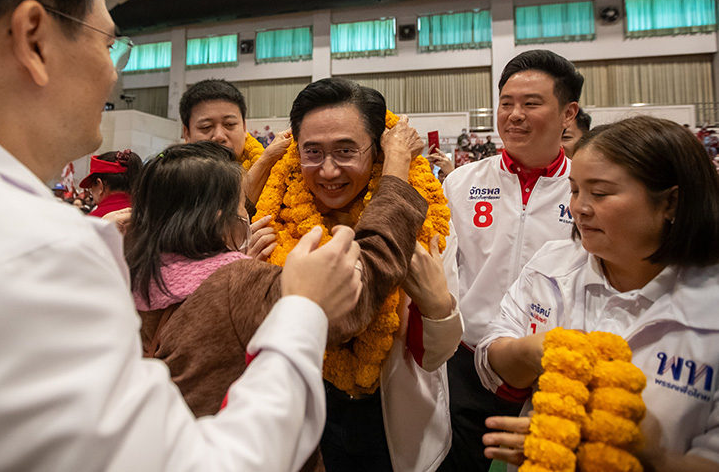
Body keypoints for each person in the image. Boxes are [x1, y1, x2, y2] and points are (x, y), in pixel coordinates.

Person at [0, 0, 364, 471]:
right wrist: (302, 309)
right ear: (34, 40)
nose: (113, 73)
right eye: (109, 44)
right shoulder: (35, 255)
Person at [479, 115, 719, 472]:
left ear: (671, 203)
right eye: (575, 190)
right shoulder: (551, 266)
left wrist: (645, 457)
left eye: (600, 193)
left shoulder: (709, 310)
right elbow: (492, 358)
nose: (579, 207)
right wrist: (530, 352)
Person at [254, 78, 462, 472]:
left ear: (379, 148)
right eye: (313, 152)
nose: (328, 170)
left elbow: (438, 353)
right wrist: (252, 275)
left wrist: (438, 308)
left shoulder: (423, 225)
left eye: (346, 151)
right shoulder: (271, 226)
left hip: (396, 422)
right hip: (309, 416)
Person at [439, 49, 581, 472]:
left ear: (568, 113)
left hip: (549, 367)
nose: (515, 115)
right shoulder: (461, 182)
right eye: (506, 103)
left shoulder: (585, 188)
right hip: (465, 362)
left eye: (531, 103)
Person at [179, 78, 291, 208]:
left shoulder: (280, 177)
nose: (219, 136)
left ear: (244, 127)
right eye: (206, 127)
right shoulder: (170, 182)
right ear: (187, 133)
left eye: (230, 124)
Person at [79, 149, 141, 217]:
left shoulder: (91, 220)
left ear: (100, 185)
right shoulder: (144, 215)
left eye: (91, 187)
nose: (92, 193)